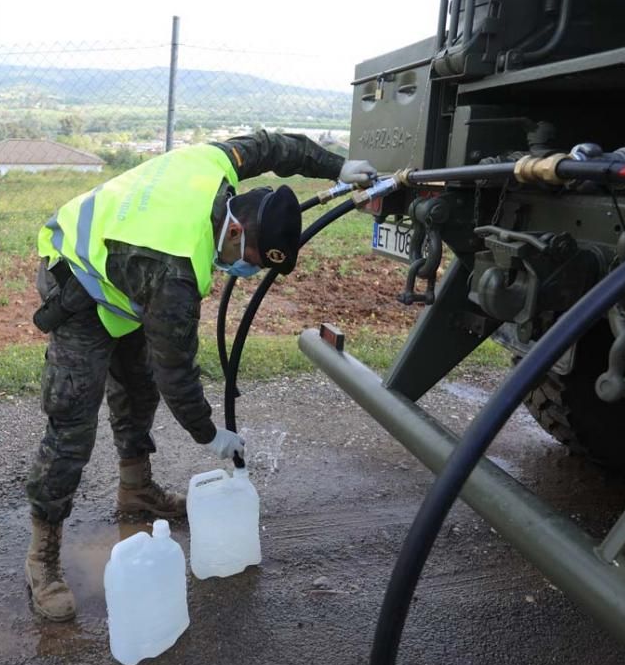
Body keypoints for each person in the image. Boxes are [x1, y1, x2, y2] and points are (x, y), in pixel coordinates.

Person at [25, 130, 377, 620]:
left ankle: (136, 490)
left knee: (138, 385)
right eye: (248, 263)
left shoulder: (219, 163)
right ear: (236, 233)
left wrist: (335, 167)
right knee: (72, 422)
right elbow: (178, 376)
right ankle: (42, 556)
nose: (242, 271)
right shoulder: (176, 274)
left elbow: (276, 147)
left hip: (126, 270)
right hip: (78, 274)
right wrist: (212, 437)